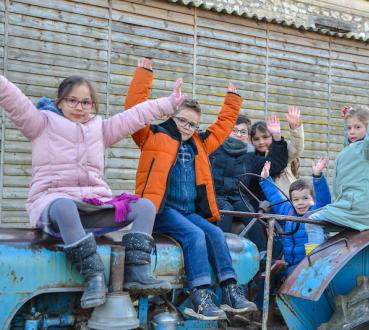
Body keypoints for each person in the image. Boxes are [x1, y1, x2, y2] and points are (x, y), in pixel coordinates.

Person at [0, 73, 180, 309]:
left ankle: (137, 270)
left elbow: (134, 116)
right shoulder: (40, 124)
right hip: (54, 204)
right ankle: (93, 276)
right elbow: (13, 99)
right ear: (60, 101)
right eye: (72, 100)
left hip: (93, 205)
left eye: (86, 102)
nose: (79, 107)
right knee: (65, 206)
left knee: (144, 206)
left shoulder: (100, 129)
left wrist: (167, 103)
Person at [125, 58, 257, 320]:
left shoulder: (199, 144)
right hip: (161, 211)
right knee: (195, 235)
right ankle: (199, 296)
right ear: (171, 116)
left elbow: (222, 127)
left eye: (192, 124)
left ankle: (230, 289)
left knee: (216, 234)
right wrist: (144, 74)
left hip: (187, 210)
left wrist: (232, 100)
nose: (187, 128)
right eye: (182, 121)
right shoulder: (152, 135)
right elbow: (133, 109)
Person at [306, 95, 369, 241]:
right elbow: (350, 148)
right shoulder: (356, 148)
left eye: (357, 127)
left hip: (359, 211)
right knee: (313, 220)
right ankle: (324, 257)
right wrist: (348, 118)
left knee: (313, 221)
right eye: (349, 128)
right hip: (352, 206)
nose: (351, 131)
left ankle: (315, 262)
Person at [211, 114, 288, 252]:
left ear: (247, 136)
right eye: (234, 130)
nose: (238, 134)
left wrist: (277, 137)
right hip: (216, 196)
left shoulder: (250, 157)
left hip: (238, 197)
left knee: (251, 213)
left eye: (243, 132)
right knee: (226, 210)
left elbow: (276, 164)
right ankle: (221, 252)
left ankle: (263, 255)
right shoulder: (214, 149)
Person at [250, 106, 305, 193]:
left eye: (265, 137)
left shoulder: (281, 151)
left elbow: (296, 148)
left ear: (271, 137)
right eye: (256, 139)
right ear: (251, 141)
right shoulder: (251, 158)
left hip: (287, 199)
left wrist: (294, 128)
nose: (261, 142)